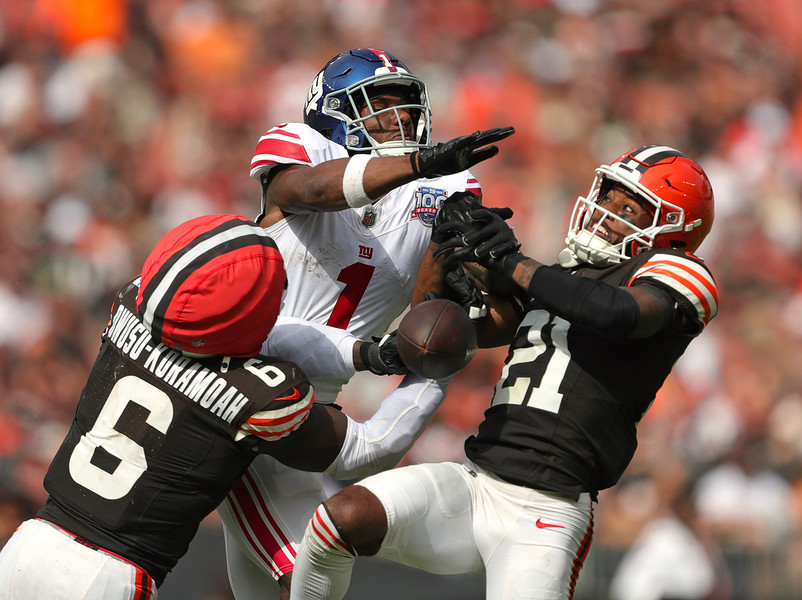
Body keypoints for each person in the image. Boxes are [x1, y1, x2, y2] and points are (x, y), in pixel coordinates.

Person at [288, 145, 720, 600]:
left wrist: (508, 263)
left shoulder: (681, 273)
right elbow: (435, 343)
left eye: (628, 206)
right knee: (338, 521)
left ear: (674, 230)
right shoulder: (560, 279)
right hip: (476, 485)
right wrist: (444, 246)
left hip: (548, 512)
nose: (606, 211)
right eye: (608, 196)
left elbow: (617, 313)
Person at [0, 214, 450, 599]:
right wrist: (436, 370)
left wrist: (364, 353)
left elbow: (242, 328)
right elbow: (368, 447)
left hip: (31, 543)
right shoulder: (256, 395)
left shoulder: (130, 304)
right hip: (106, 574)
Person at [218, 47, 514, 599]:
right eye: (379, 101)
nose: (398, 115)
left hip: (314, 405)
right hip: (241, 375)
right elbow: (304, 191)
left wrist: (493, 276)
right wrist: (419, 166)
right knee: (303, 572)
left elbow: (448, 307)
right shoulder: (307, 144)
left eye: (405, 102)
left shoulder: (448, 188)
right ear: (331, 108)